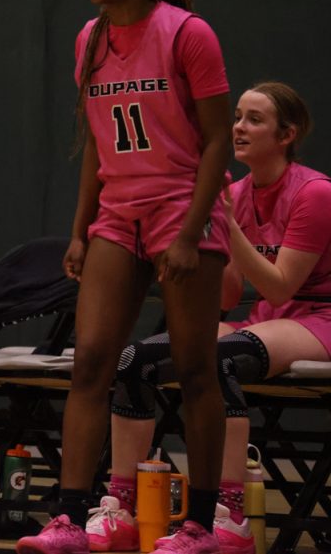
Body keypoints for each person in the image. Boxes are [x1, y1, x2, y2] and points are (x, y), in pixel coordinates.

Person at [15, 0, 231, 554]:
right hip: (119, 212)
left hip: (179, 209)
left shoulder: (188, 33)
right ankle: (70, 520)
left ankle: (201, 525)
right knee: (90, 364)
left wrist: (192, 232)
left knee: (195, 370)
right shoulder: (90, 38)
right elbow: (95, 143)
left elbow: (218, 140)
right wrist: (81, 230)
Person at [93, 83, 331, 554]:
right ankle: (121, 507)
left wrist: (231, 225)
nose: (238, 127)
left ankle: (232, 515)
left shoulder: (315, 192)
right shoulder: (236, 192)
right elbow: (227, 297)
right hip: (267, 319)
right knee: (134, 360)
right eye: (237, 116)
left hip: (318, 318)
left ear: (287, 134)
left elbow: (281, 286)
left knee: (219, 359)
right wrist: (206, 240)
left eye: (254, 120)